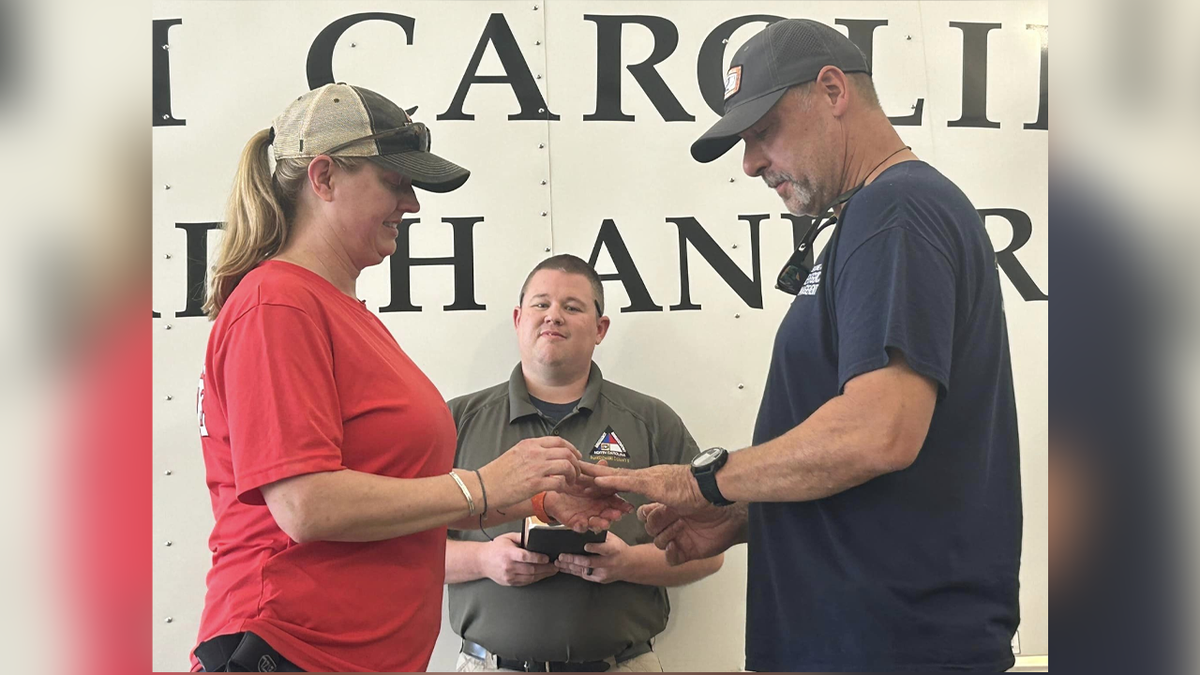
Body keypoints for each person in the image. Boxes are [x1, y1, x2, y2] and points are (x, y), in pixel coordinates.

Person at [588, 19, 1023, 672]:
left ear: (831, 90)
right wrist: (745, 515)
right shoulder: (875, 218)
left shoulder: (897, 211)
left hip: (892, 647)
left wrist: (701, 479)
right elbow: (885, 473)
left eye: (764, 131)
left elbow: (879, 430)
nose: (751, 162)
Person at [192, 84, 627, 673]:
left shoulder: (337, 312)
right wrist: (481, 485)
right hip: (292, 648)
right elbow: (304, 505)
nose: (412, 204)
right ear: (323, 178)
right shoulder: (278, 305)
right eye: (394, 183)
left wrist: (537, 500)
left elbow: (396, 495)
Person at [445, 255, 724, 672]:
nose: (553, 316)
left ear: (600, 329)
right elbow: (404, 550)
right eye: (540, 305)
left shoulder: (651, 422)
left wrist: (627, 564)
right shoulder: (456, 421)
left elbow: (711, 550)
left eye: (572, 307)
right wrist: (484, 561)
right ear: (519, 319)